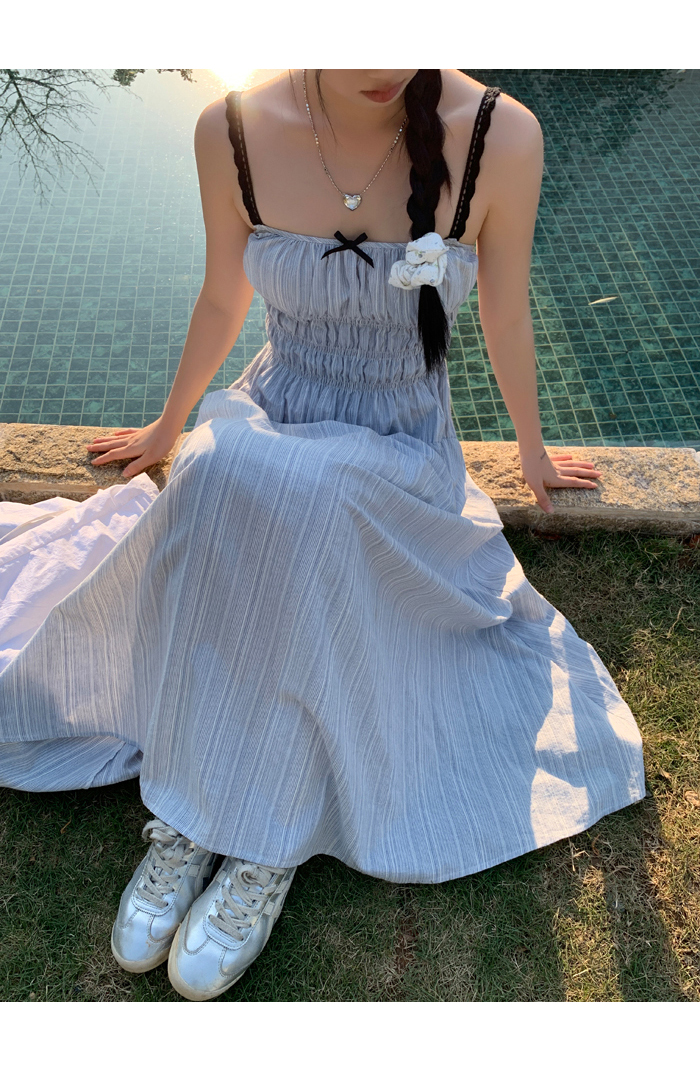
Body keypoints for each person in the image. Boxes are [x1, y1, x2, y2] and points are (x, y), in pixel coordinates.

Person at [0, 69, 646, 1002]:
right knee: (224, 468)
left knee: (292, 495)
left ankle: (264, 837)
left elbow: (506, 310)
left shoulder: (499, 136)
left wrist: (533, 450)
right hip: (278, 407)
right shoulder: (232, 128)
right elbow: (222, 298)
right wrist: (169, 426)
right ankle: (190, 811)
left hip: (401, 443)